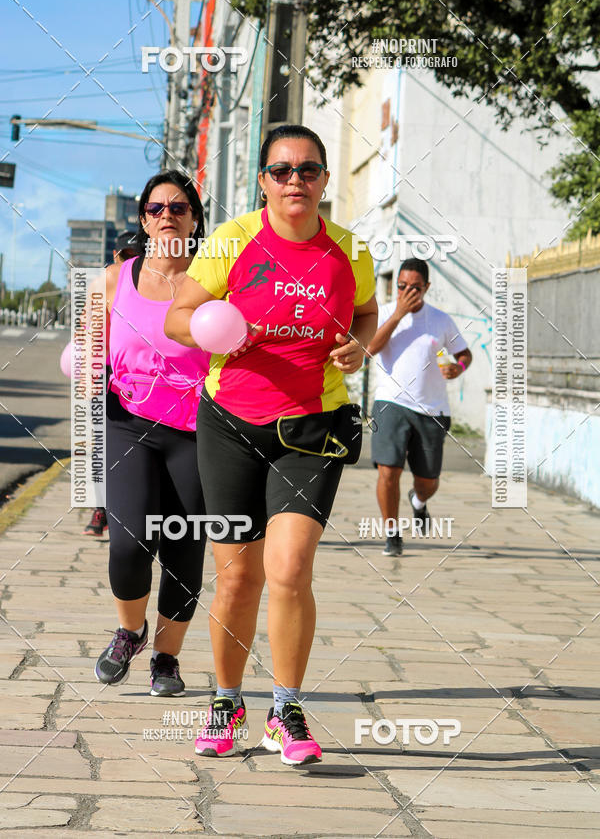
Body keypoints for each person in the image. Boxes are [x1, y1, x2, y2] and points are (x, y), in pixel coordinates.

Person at [165, 124, 377, 765]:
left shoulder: (348, 249)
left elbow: (365, 313)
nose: (295, 181)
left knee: (288, 570)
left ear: (324, 181)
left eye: (308, 170)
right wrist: (218, 332)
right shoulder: (232, 242)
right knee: (235, 580)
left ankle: (286, 710)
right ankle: (227, 701)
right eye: (281, 171)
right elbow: (179, 319)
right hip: (230, 423)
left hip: (313, 425)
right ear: (263, 180)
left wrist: (359, 344)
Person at [93, 171, 210, 696]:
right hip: (129, 423)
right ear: (143, 219)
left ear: (194, 219)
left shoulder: (214, 280)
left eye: (180, 207)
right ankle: (129, 629)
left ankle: (166, 658)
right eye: (157, 207)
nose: (168, 214)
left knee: (184, 548)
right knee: (130, 542)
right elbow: (88, 346)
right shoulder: (113, 279)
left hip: (198, 430)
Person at [367, 258, 472, 556]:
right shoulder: (385, 313)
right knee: (388, 471)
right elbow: (369, 348)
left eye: (414, 287)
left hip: (432, 410)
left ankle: (419, 501)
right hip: (391, 403)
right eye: (401, 286)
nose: (407, 291)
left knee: (428, 481)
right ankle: (392, 534)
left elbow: (464, 353)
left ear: (426, 287)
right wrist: (398, 315)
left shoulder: (440, 320)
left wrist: (459, 368)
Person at [83, 231, 145, 538]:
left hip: (136, 378)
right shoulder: (107, 284)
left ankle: (118, 512)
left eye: (136, 254)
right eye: (127, 255)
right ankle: (102, 511)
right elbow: (88, 333)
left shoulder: (148, 283)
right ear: (117, 256)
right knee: (104, 447)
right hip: (107, 373)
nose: (130, 261)